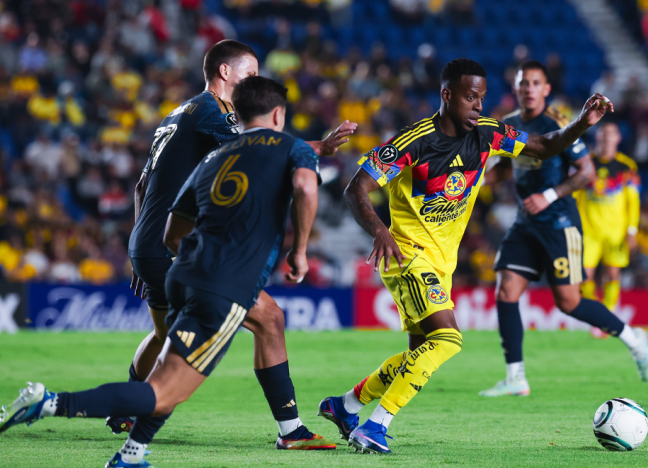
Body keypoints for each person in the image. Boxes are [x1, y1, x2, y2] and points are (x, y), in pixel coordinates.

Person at [0, 76, 330, 466]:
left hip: (181, 274)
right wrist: (300, 251)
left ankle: (131, 453)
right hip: (223, 287)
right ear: (278, 113)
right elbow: (307, 190)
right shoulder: (291, 148)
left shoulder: (212, 159)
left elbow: (173, 230)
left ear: (235, 114)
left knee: (173, 365)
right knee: (164, 392)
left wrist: (194, 261)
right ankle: (48, 402)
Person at [316, 58, 613, 454]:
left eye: (483, 98)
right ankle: (375, 426)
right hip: (407, 255)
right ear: (447, 95)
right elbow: (357, 188)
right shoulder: (413, 141)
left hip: (442, 263)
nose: (478, 105)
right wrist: (381, 231)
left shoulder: (488, 134)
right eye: (471, 97)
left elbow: (542, 147)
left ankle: (346, 405)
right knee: (448, 339)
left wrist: (581, 123)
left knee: (417, 353)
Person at [117, 40, 354, 449]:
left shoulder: (177, 113)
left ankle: (123, 406)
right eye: (250, 73)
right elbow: (263, 149)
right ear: (225, 73)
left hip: (152, 241)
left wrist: (142, 245)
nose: (256, 82)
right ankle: (291, 430)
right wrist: (320, 147)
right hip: (172, 245)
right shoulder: (214, 110)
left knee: (166, 337)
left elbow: (143, 184)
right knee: (269, 319)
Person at [478, 62, 648, 399]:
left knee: (569, 302)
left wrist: (549, 195)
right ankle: (516, 377)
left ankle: (634, 339)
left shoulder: (558, 122)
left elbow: (587, 173)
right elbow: (502, 169)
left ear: (546, 89)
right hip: (525, 222)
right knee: (506, 291)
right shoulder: (510, 125)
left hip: (559, 222)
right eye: (523, 83)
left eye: (535, 83)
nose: (529, 88)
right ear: (516, 89)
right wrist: (470, 185)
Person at [577, 123, 641, 319]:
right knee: (584, 278)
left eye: (610, 134)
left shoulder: (627, 166)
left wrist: (632, 230)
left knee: (613, 274)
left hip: (616, 231)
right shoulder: (586, 164)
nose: (606, 138)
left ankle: (609, 314)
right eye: (603, 134)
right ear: (597, 137)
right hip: (588, 230)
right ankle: (598, 314)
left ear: (618, 138)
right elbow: (575, 194)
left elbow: (633, 201)